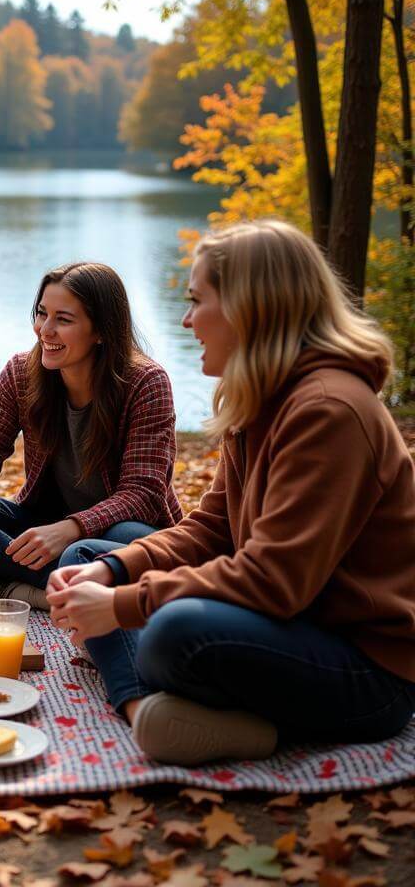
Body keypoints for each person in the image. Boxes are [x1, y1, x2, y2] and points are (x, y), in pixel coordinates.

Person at [47, 221, 415, 766]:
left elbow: (273, 580)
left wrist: (124, 604)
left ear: (251, 307)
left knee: (173, 632)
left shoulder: (328, 410)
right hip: (294, 627)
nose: (186, 319)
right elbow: (213, 529)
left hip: (366, 672)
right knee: (88, 557)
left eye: (198, 301)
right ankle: (149, 709)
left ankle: (158, 697)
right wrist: (116, 572)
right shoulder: (263, 399)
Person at [0, 262, 181, 609]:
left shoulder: (146, 383)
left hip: (120, 533)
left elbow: (141, 495)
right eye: (42, 314)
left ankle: (12, 585)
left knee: (121, 538)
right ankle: (61, 588)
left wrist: (72, 529)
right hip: (44, 527)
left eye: (63, 319)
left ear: (101, 330)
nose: (45, 330)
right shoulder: (21, 372)